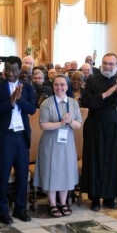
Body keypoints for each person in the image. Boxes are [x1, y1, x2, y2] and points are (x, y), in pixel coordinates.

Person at [0, 56, 36, 224]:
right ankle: (2, 211)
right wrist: (10, 101)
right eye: (7, 69)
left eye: (14, 70)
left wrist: (20, 99)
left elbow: (32, 109)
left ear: (20, 70)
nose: (10, 73)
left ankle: (20, 209)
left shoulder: (27, 88)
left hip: (22, 136)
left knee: (22, 175)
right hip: (5, 137)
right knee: (3, 175)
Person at [81, 53, 117, 210]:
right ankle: (95, 199)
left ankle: (110, 197)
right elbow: (87, 101)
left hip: (115, 128)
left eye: (111, 64)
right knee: (95, 162)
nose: (107, 66)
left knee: (113, 162)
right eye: (105, 63)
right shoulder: (92, 80)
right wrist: (107, 94)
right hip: (96, 127)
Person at [34, 75, 83, 217]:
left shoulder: (73, 103)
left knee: (65, 171)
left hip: (67, 143)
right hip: (50, 142)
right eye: (56, 84)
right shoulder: (46, 103)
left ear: (67, 87)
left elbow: (78, 125)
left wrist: (70, 121)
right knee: (52, 171)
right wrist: (61, 123)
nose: (59, 87)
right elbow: (43, 125)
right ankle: (52, 204)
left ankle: (63, 202)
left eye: (62, 84)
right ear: (53, 86)